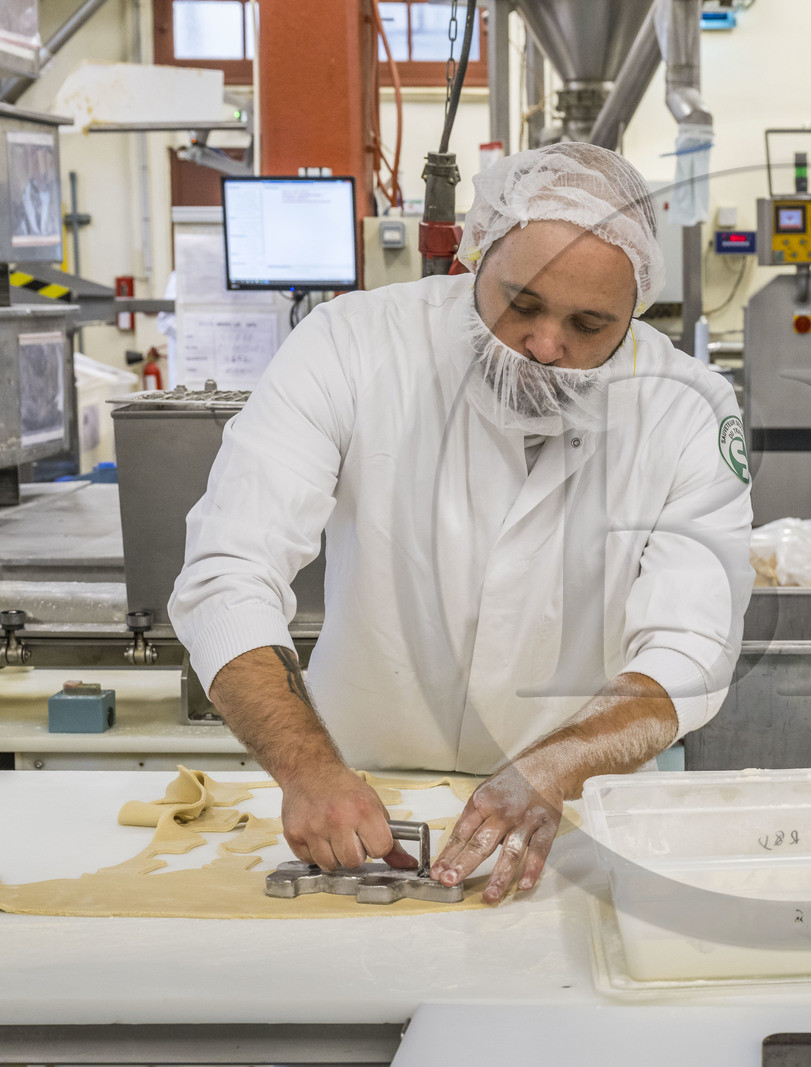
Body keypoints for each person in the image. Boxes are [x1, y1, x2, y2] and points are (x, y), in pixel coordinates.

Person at [170, 144, 754, 905]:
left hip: (581, 805)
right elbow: (229, 572)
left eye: (589, 324)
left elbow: (691, 644)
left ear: (635, 313)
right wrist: (308, 769)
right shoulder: (351, 345)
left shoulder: (688, 409)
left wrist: (560, 765)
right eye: (523, 305)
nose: (547, 346)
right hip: (357, 792)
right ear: (473, 255)